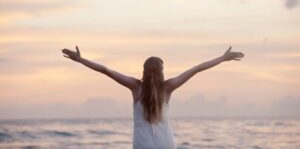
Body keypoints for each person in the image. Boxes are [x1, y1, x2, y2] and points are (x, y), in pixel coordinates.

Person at [62, 46, 244, 149]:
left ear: (144, 70)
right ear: (162, 72)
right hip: (167, 144)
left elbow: (106, 70)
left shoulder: (135, 87)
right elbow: (196, 69)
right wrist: (222, 58)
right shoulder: (168, 88)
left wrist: (81, 60)